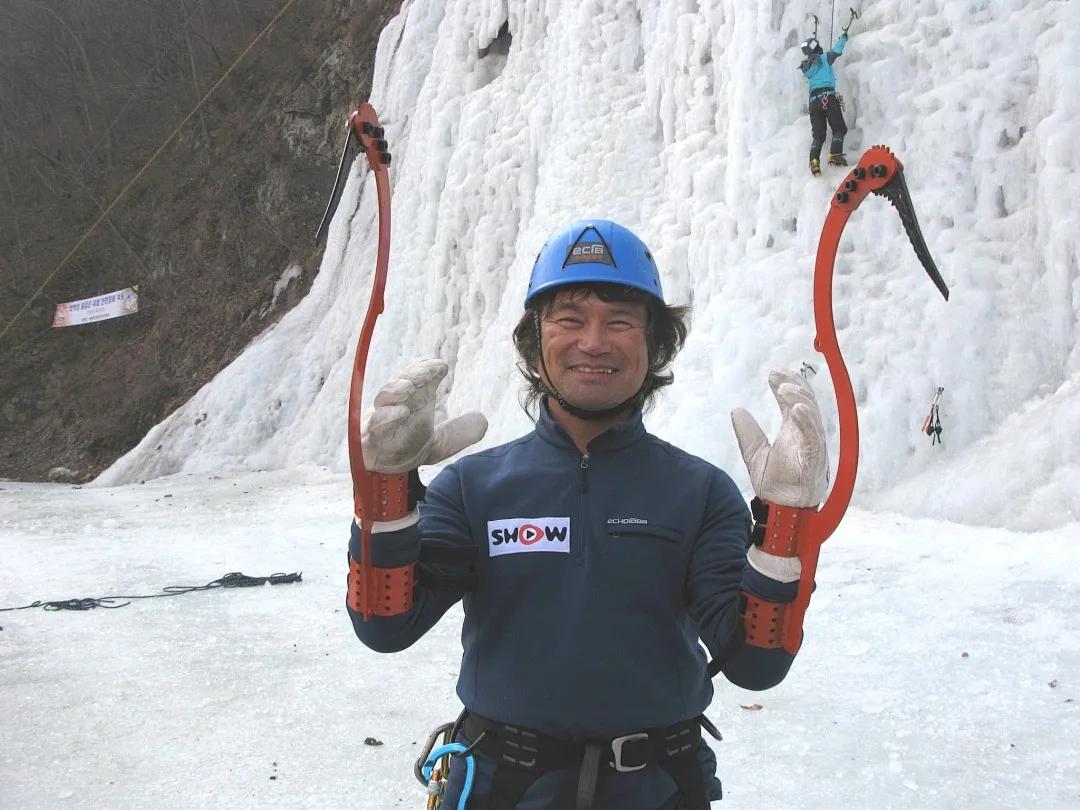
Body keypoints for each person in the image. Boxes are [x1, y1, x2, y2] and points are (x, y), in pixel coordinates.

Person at [347, 220, 830, 809]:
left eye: (621, 320)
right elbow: (386, 625)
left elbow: (757, 662)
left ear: (655, 344)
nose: (594, 342)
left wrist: (783, 525)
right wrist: (387, 491)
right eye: (569, 318)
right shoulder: (474, 487)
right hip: (503, 790)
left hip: (656, 790)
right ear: (535, 341)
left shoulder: (699, 492)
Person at [799, 31, 852, 176]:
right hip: (828, 97)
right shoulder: (824, 57)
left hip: (813, 102)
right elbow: (836, 50)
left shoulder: (807, 66)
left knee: (818, 135)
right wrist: (843, 37)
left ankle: (814, 161)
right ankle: (835, 155)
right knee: (839, 128)